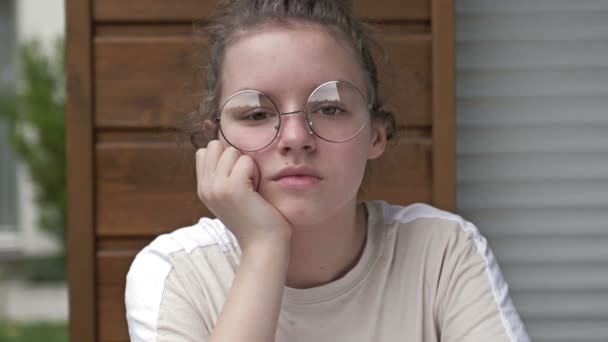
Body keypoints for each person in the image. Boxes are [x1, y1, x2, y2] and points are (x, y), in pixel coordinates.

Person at [125, 1, 530, 341]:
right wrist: (265, 247)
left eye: (330, 108)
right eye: (257, 113)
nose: (296, 137)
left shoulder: (442, 252)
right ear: (217, 142)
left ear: (376, 135)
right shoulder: (177, 272)